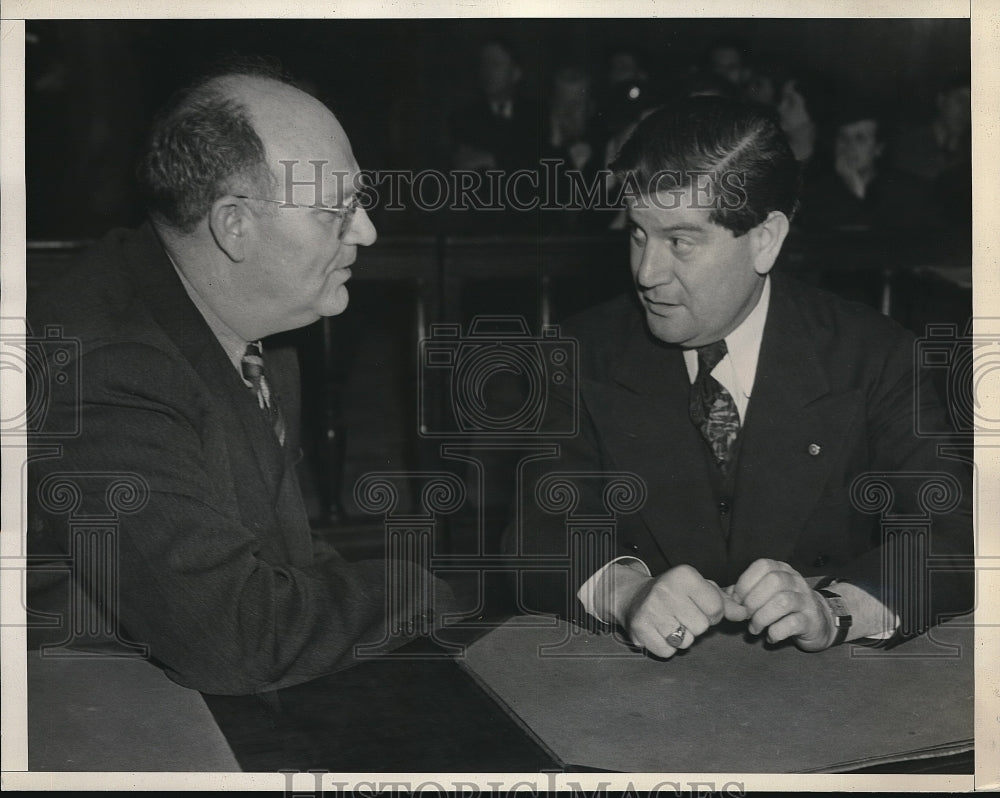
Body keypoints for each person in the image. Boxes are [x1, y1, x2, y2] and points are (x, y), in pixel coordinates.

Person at [27, 59, 455, 695]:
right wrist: (427, 586)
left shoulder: (252, 331)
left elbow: (282, 568)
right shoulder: (107, 370)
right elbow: (238, 637)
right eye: (335, 211)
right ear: (234, 225)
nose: (365, 231)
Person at [506, 96, 972, 659]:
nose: (647, 273)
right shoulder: (576, 355)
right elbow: (533, 538)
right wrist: (625, 594)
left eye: (679, 241)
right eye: (637, 234)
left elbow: (950, 539)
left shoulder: (876, 357)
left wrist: (837, 609)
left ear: (765, 239)